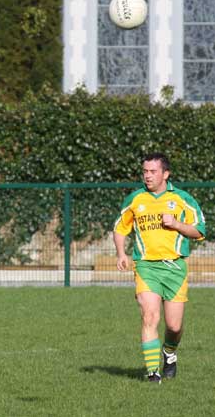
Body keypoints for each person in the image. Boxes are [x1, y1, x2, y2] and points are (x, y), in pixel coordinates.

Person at [113, 152, 205, 384]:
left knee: (174, 326)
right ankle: (153, 372)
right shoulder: (135, 199)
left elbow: (200, 231)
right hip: (146, 267)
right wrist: (122, 253)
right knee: (150, 316)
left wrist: (176, 224)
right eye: (145, 171)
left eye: (153, 171)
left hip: (175, 267)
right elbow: (120, 228)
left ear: (166, 173)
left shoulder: (183, 199)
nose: (147, 176)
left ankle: (170, 353)